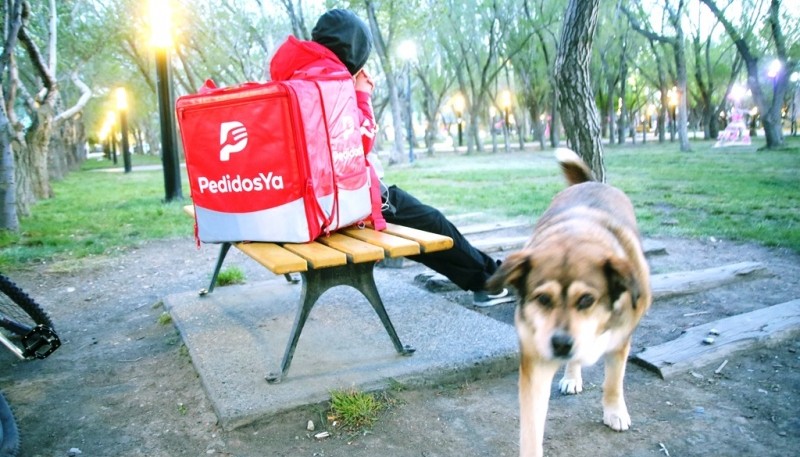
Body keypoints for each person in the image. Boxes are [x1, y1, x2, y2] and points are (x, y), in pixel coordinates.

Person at [269, 9, 514, 307]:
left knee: (418, 218)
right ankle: (490, 282)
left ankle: (489, 275)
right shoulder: (329, 80)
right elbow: (357, 144)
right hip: (340, 203)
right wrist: (362, 95)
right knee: (430, 222)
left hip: (313, 200)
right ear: (353, 49)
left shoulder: (298, 74)